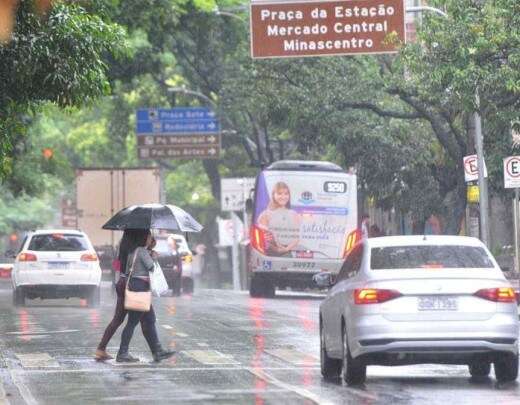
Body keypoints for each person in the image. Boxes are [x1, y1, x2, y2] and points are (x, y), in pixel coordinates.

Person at [94, 229, 173, 363]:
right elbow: (146, 265)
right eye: (148, 235)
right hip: (133, 285)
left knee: (144, 318)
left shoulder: (125, 246)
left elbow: (118, 266)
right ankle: (123, 352)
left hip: (125, 283)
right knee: (134, 320)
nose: (150, 237)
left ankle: (156, 350)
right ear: (140, 235)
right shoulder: (137, 249)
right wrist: (149, 254)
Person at [257, 181, 300, 257]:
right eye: (279, 193)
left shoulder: (294, 214)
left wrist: (286, 249)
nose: (283, 197)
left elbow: (297, 237)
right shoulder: (265, 214)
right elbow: (261, 236)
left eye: (286, 194)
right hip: (268, 255)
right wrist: (275, 247)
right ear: (273, 195)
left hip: (287, 254)